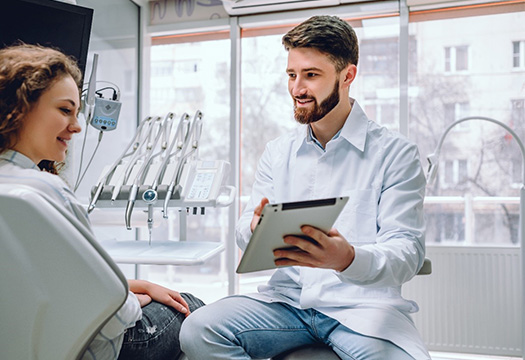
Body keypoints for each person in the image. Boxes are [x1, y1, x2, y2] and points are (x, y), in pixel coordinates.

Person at [179, 15, 430, 360]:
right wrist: (254, 228)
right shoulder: (277, 152)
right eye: (292, 75)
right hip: (287, 304)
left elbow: (407, 252)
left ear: (347, 76)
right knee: (198, 330)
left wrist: (348, 259)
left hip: (361, 309)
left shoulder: (395, 153)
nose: (297, 89)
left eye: (311, 75)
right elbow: (243, 229)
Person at [0, 43, 203, 360]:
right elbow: (114, 319)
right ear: (17, 108)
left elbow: (39, 283)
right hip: (89, 347)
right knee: (194, 309)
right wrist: (131, 299)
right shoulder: (44, 192)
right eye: (64, 110)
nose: (76, 127)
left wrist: (132, 285)